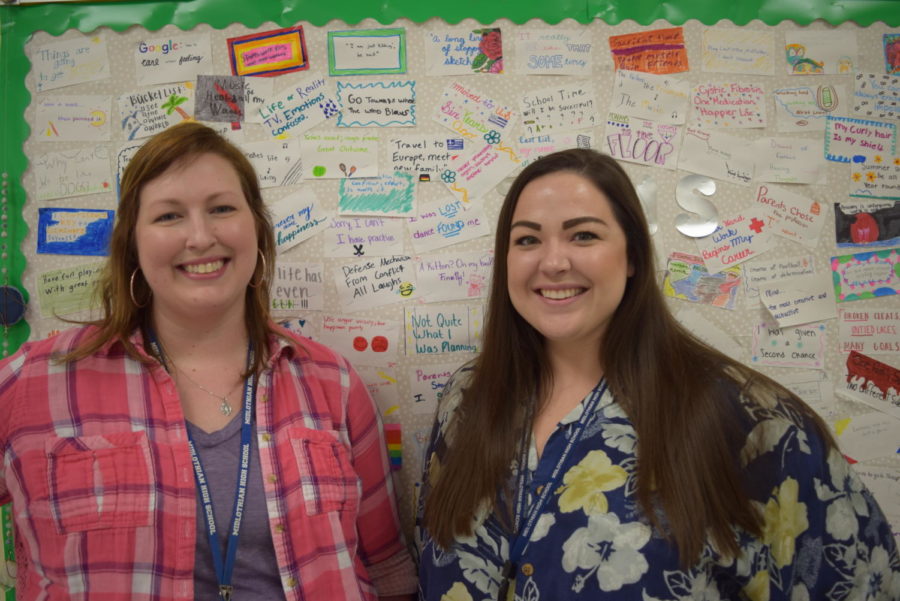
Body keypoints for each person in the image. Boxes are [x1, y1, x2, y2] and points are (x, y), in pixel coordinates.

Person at [415, 149, 899, 600]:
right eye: (527, 239)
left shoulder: (753, 421)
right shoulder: (468, 396)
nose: (554, 261)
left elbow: (857, 583)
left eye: (583, 234)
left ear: (632, 258)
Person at [0, 122, 416, 601]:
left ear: (256, 229)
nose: (200, 237)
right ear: (133, 243)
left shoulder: (331, 383)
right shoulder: (38, 380)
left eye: (221, 209)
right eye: (169, 216)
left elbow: (387, 571)